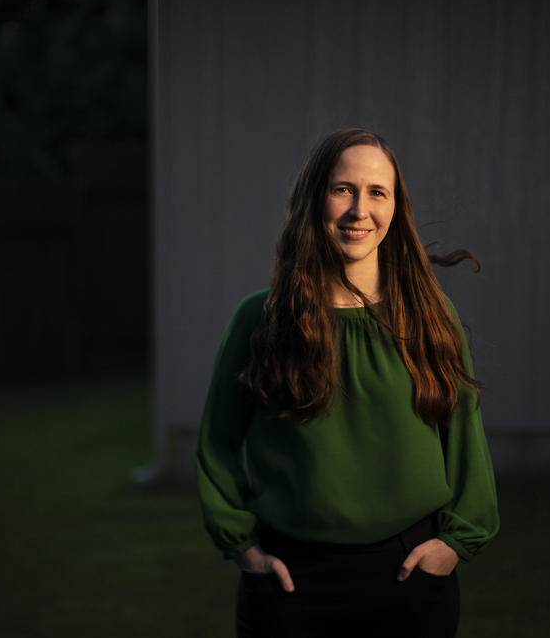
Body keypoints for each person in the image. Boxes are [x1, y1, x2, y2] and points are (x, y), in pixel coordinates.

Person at [195, 128, 499, 637]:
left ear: (395, 209)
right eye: (343, 189)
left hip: (409, 577)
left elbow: (465, 438)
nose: (360, 209)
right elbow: (217, 441)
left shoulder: (428, 316)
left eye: (377, 192)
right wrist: (244, 548)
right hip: (291, 583)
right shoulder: (262, 318)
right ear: (315, 199)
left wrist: (454, 545)